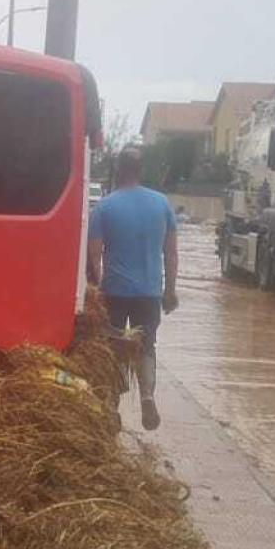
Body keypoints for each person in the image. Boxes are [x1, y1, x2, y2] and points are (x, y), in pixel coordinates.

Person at [86, 147, 178, 430]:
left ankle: (110, 405)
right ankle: (147, 395)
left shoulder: (104, 206)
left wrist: (97, 288)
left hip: (114, 291)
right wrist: (170, 290)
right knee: (146, 345)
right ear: (141, 171)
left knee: (112, 348)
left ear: (118, 170)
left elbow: (94, 255)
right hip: (150, 291)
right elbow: (171, 253)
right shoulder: (162, 203)